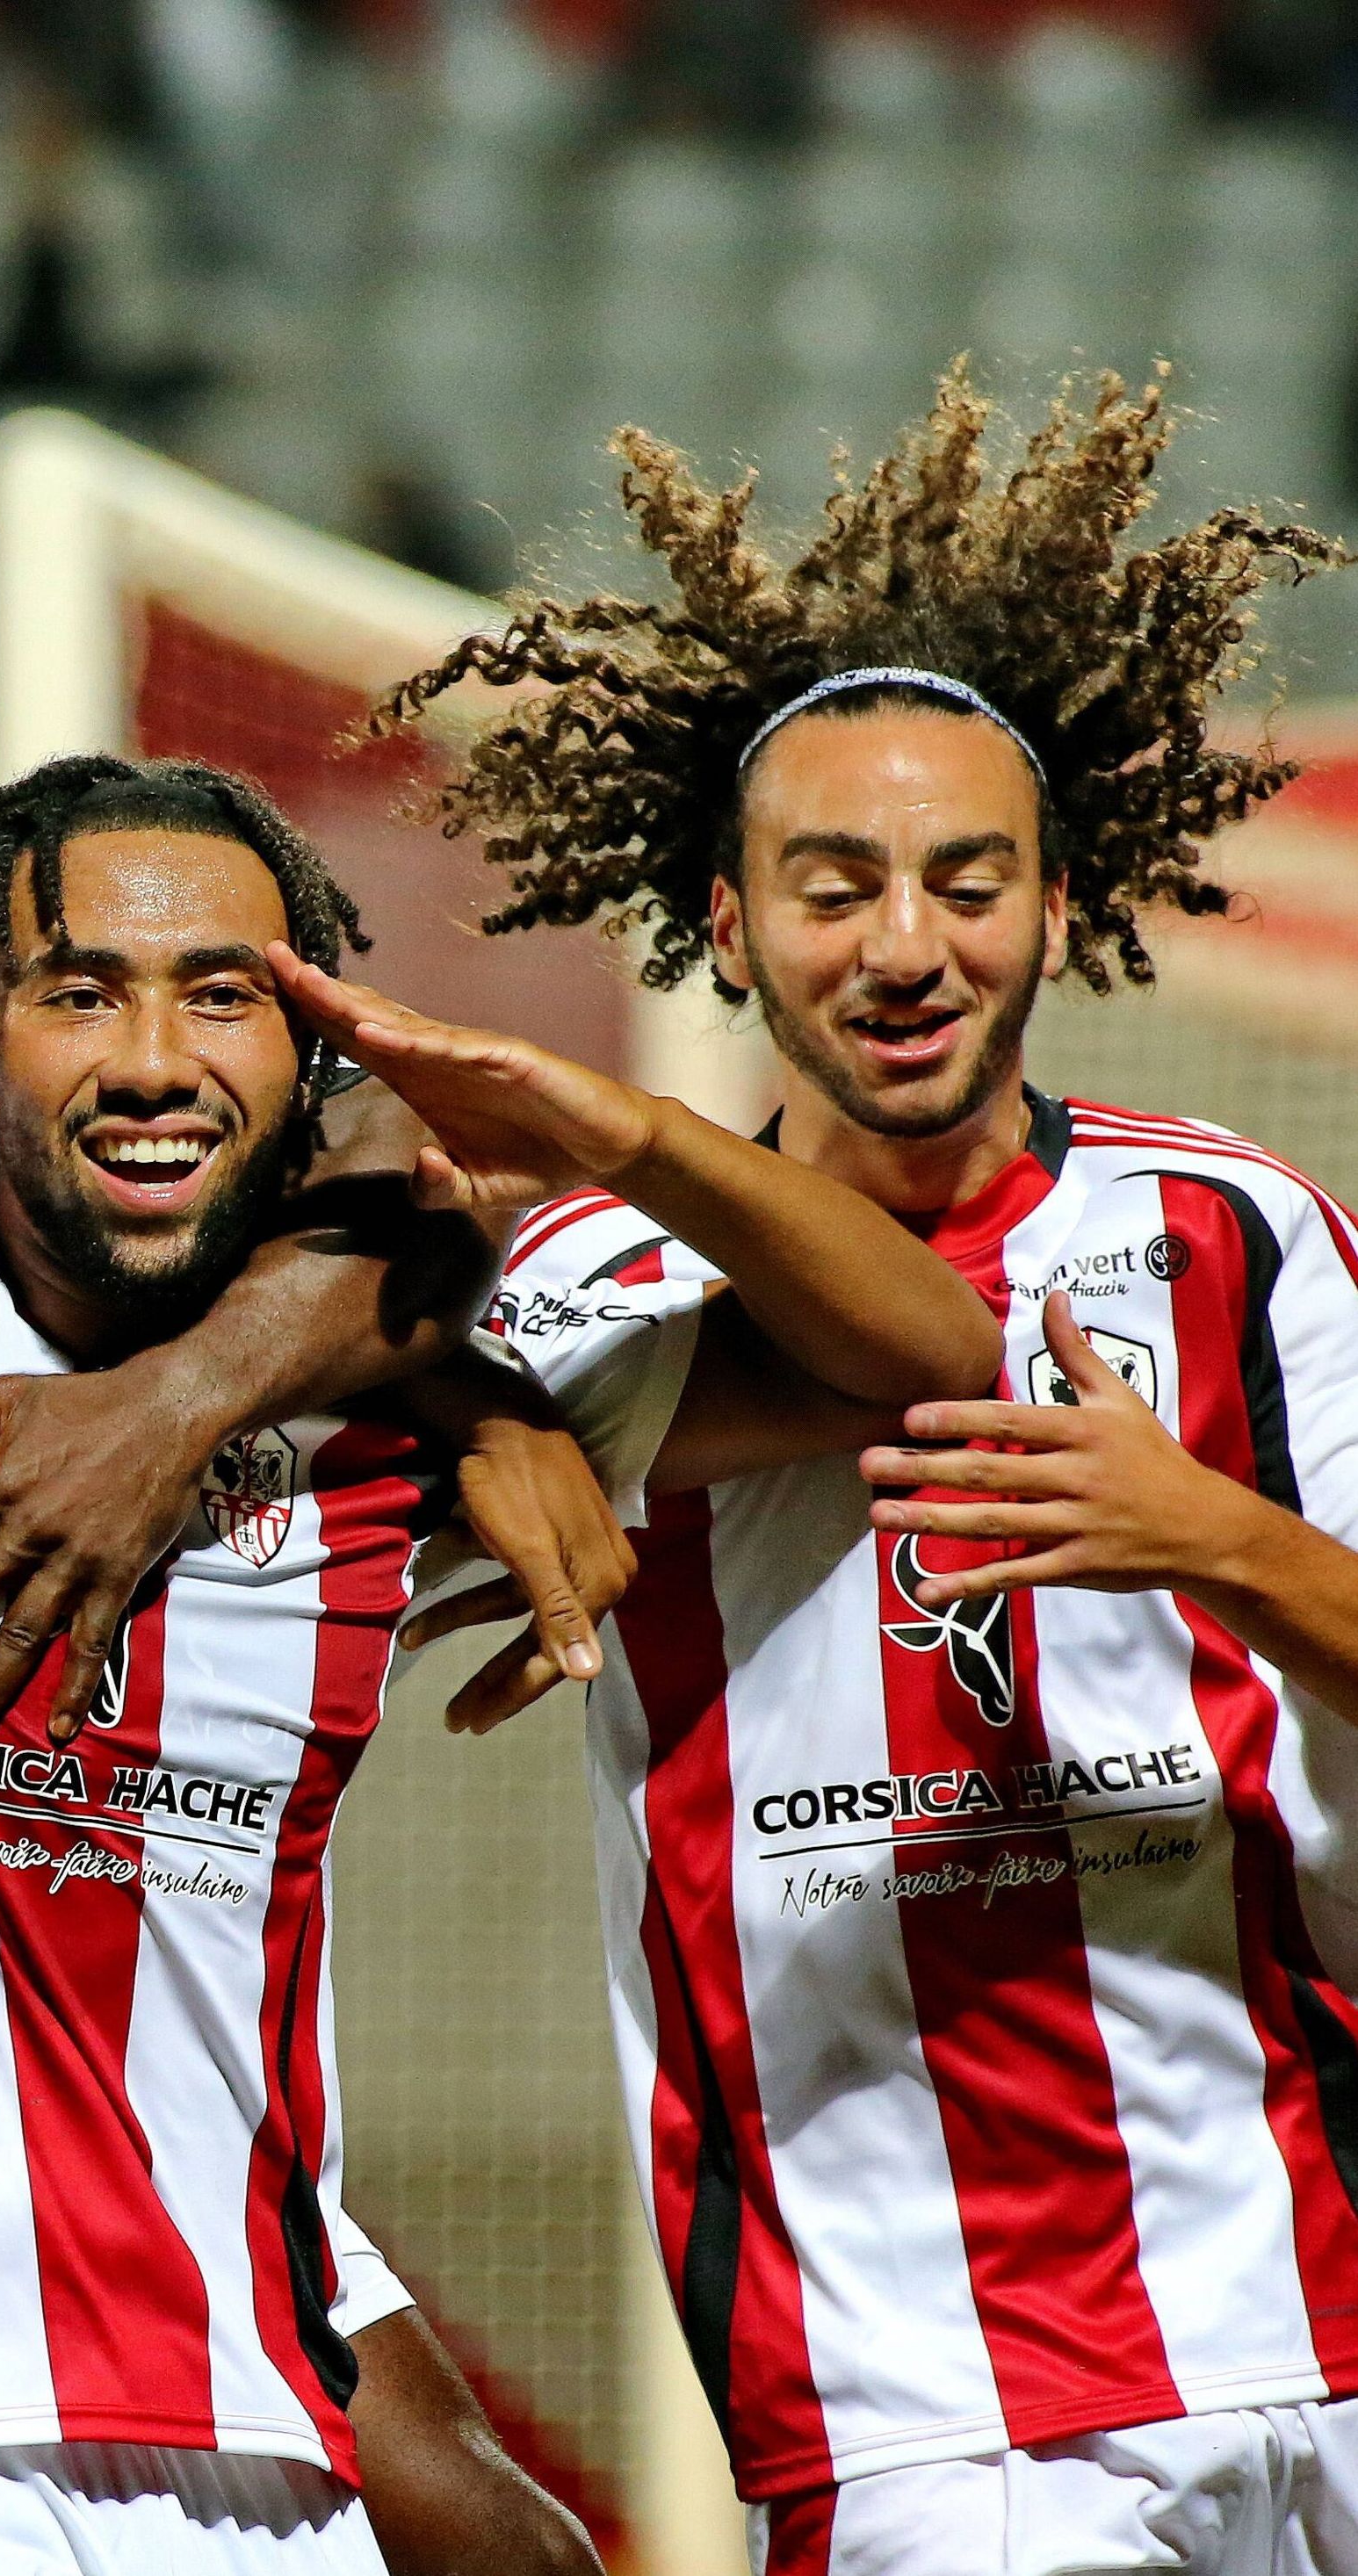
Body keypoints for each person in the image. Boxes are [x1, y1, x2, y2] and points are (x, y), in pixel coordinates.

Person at [0, 754, 1000, 2574]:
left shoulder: (398, 1392)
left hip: (258, 2435)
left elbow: (925, 1360)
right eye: (82, 995)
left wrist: (600, 1129)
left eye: (222, 995)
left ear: (310, 1060)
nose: (153, 1061)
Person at [345, 364, 1358, 2572]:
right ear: (722, 924)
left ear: (1059, 904)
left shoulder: (1237, 1231)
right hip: (926, 2418)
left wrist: (1210, 1537)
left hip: (1329, 2303)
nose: (906, 946)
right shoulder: (590, 1294)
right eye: (833, 887)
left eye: (966, 881)